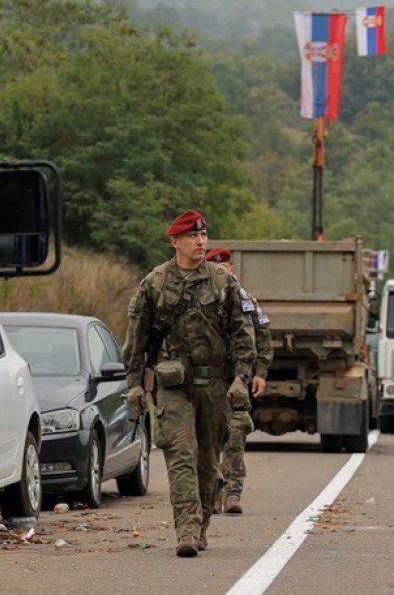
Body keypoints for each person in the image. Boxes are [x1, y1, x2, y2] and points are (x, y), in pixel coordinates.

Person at [123, 210, 255, 558]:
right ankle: (186, 529)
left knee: (208, 462)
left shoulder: (223, 282)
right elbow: (137, 339)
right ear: (175, 242)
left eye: (203, 235)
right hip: (172, 386)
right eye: (193, 237)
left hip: (214, 386)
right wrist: (134, 384)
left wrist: (242, 376)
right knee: (181, 455)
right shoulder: (155, 283)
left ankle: (202, 528)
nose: (200, 242)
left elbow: (244, 332)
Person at [205, 247, 273, 516]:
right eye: (217, 266)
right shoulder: (200, 300)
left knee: (235, 434)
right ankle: (210, 493)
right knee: (208, 440)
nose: (224, 271)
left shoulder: (244, 299)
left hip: (237, 379)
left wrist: (260, 372)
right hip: (207, 380)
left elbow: (263, 335)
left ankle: (233, 492)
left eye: (227, 266)